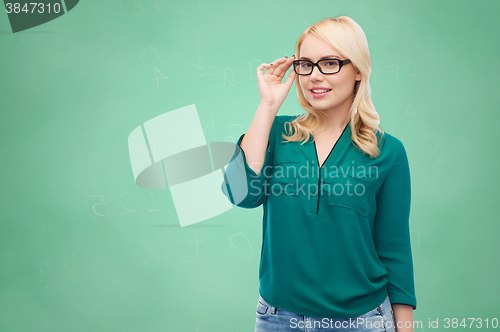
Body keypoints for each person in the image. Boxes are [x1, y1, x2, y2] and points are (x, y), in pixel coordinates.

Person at [221, 16, 416, 332]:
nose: (314, 76)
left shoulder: (389, 152)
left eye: (329, 63)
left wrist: (405, 328)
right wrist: (267, 106)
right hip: (277, 320)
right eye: (305, 64)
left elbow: (394, 248)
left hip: (362, 321)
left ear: (357, 70)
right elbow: (240, 194)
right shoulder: (277, 133)